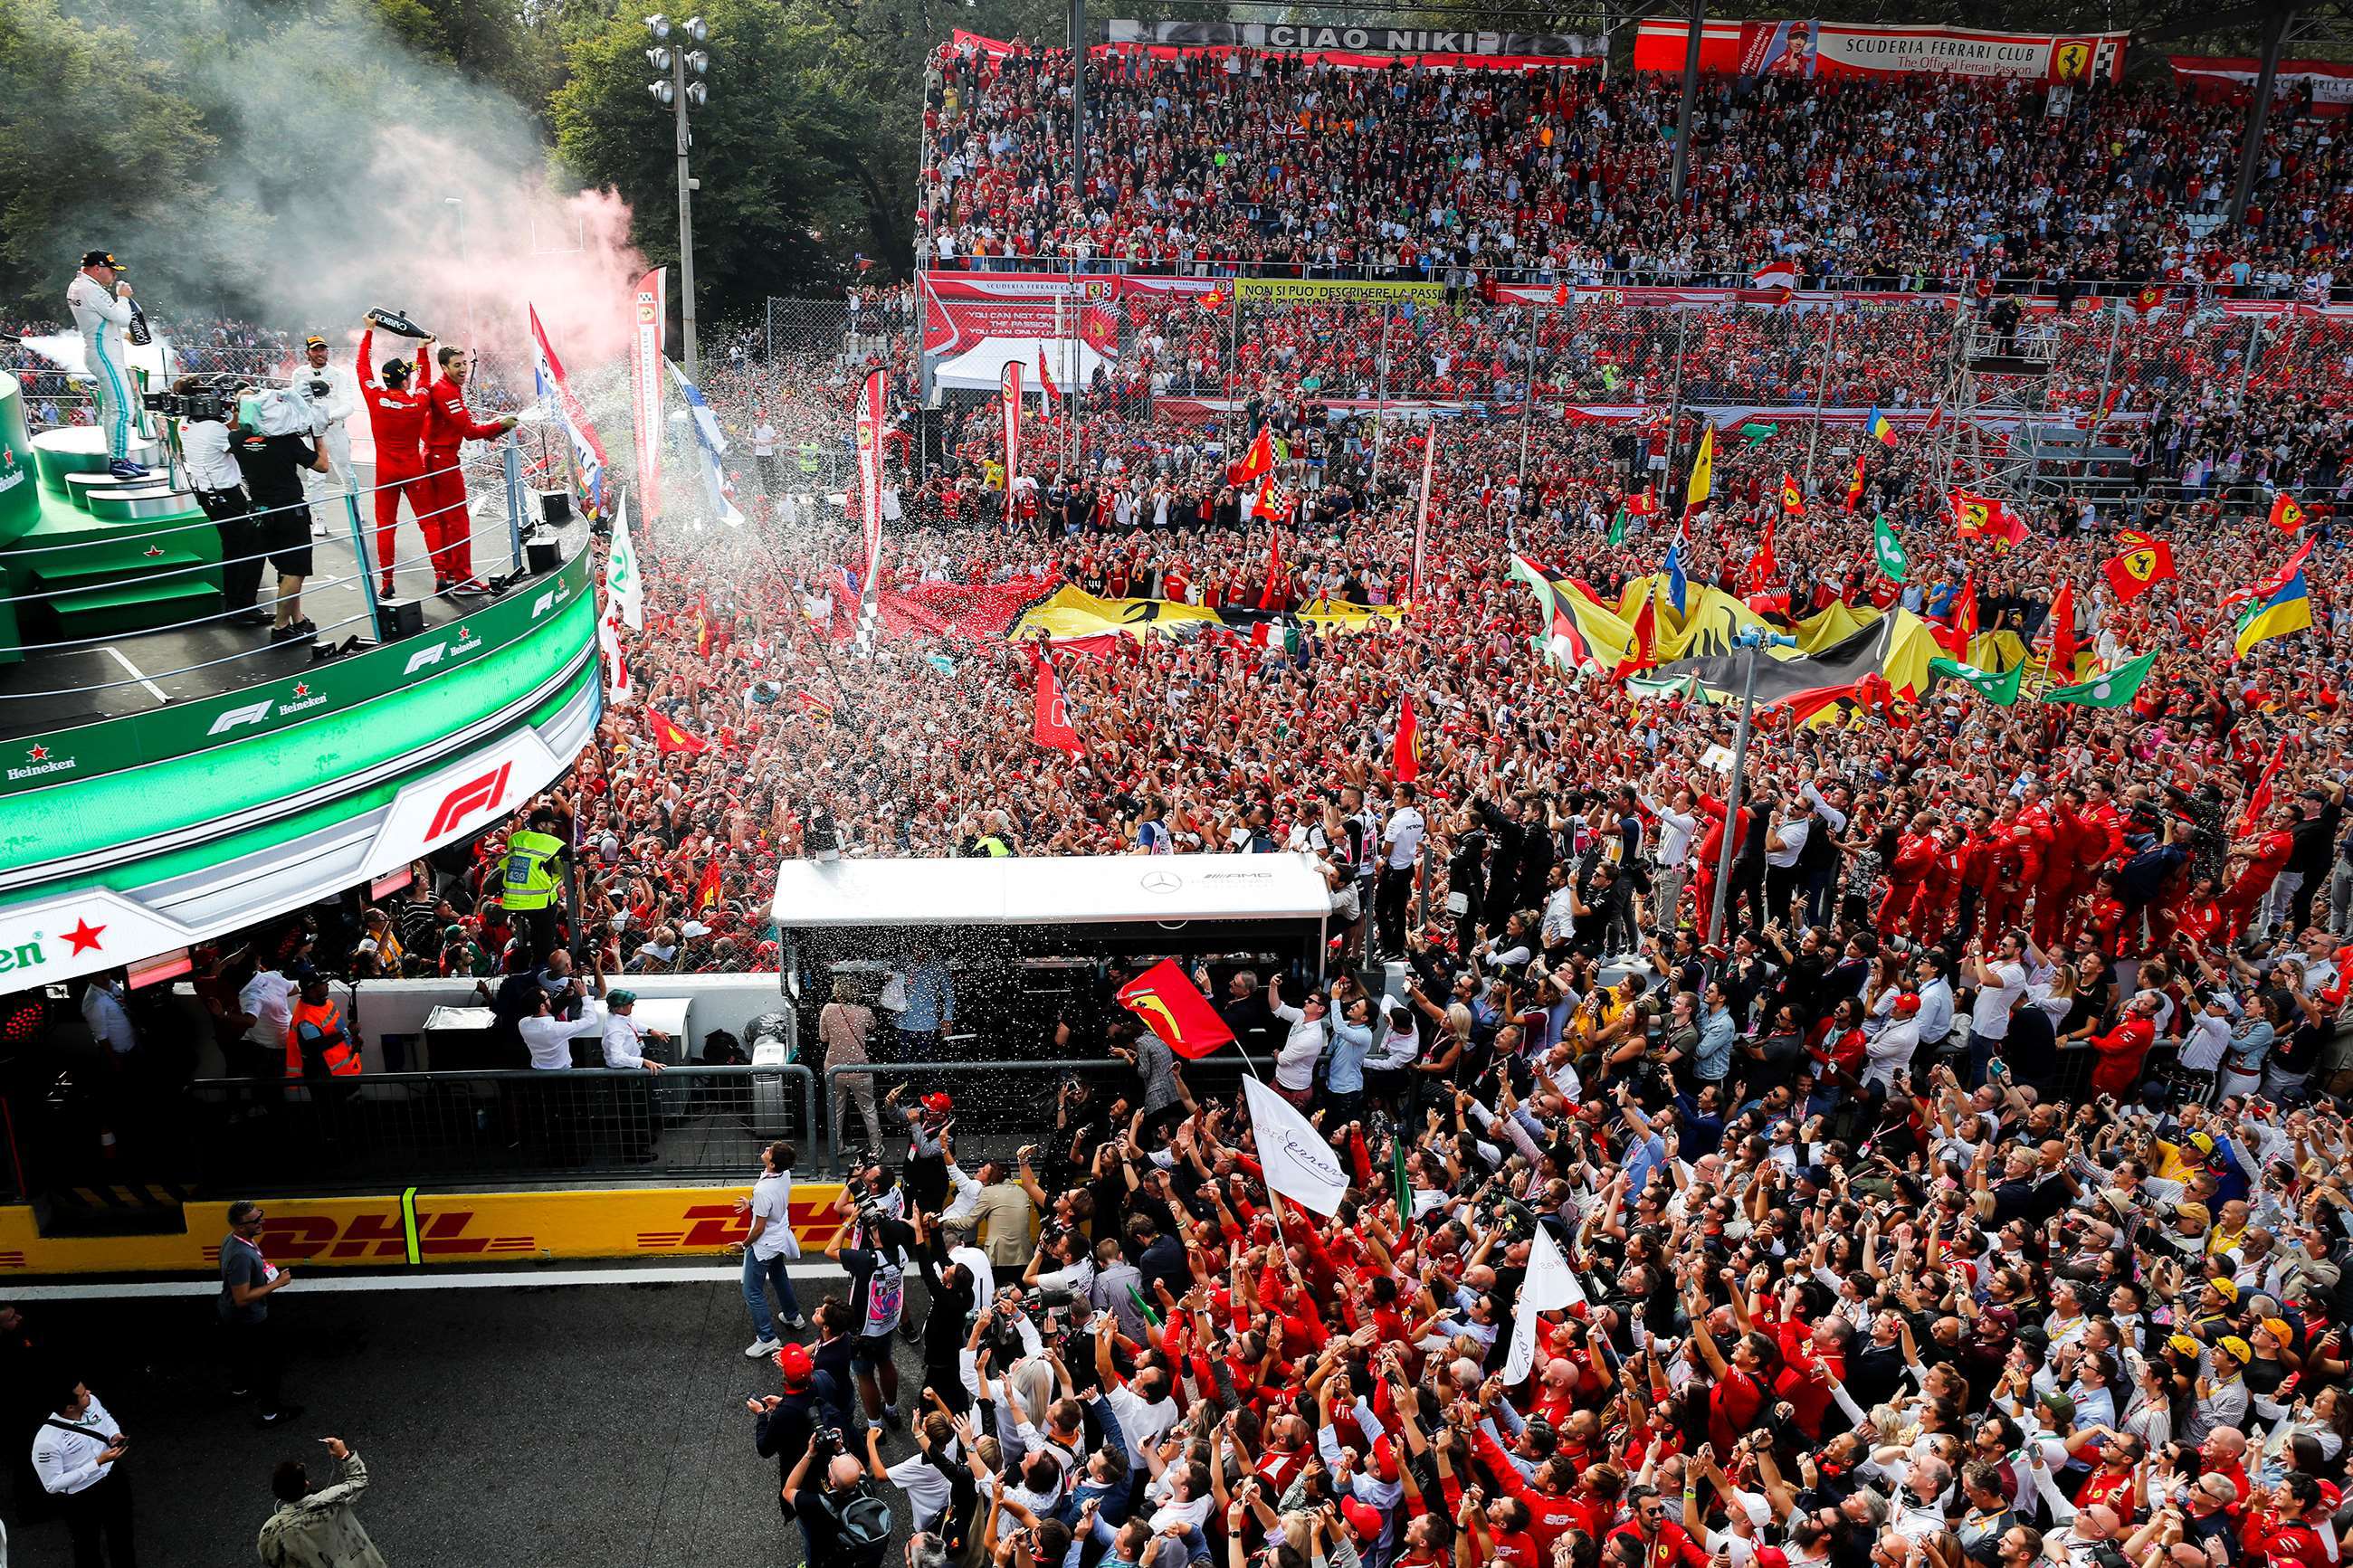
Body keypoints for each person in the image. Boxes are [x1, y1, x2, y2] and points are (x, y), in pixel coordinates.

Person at [226, 386, 330, 647]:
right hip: (289, 512)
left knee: (285, 571)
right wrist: (318, 436)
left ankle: (298, 619)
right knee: (295, 570)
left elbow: (239, 428)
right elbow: (322, 465)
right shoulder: (286, 441)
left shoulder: (237, 440)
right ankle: (281, 627)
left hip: (259, 512)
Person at [415, 345, 519, 594]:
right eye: (457, 365)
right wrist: (499, 425)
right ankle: (463, 579)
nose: (463, 369)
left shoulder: (446, 388)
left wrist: (496, 428)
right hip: (442, 461)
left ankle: (450, 574)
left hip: (436, 458)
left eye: (465, 364)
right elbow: (470, 432)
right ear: (444, 367)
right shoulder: (446, 391)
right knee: (458, 521)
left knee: (447, 521)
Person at [177, 377, 272, 627]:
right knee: (251, 548)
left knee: (232, 548)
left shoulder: (184, 423)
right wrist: (244, 412)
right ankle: (243, 606)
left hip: (208, 494)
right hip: (226, 495)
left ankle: (235, 603)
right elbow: (239, 442)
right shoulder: (213, 429)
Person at [355, 327, 436, 601]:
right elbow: (425, 380)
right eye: (408, 375)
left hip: (386, 473)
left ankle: (386, 583)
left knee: (386, 526)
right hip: (413, 469)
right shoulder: (418, 401)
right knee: (428, 523)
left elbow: (362, 367)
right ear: (404, 381)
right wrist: (423, 349)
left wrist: (368, 331)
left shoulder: (375, 397)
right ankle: (441, 575)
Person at [33, 1377, 134, 1567]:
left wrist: (114, 1434)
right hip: (82, 1498)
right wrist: (96, 1463)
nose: (89, 1393)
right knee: (87, 1546)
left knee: (122, 1535)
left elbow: (105, 1417)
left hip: (113, 1478)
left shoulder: (92, 1402)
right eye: (83, 1394)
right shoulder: (46, 1442)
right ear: (70, 1407)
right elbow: (52, 1484)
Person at [220, 1199, 302, 1427]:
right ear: (240, 1226)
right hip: (249, 1318)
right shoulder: (241, 1256)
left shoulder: (233, 1240)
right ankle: (271, 1413)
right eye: (255, 1220)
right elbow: (242, 1297)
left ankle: (240, 1388)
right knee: (270, 1365)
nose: (261, 1221)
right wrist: (278, 1283)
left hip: (230, 1313)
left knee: (241, 1353)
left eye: (260, 1215)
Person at [65, 250, 143, 478]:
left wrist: (122, 336)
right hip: (105, 355)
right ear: (97, 269)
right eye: (111, 271)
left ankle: (118, 457)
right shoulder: (91, 289)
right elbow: (121, 317)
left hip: (100, 350)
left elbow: (99, 319)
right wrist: (124, 297)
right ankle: (119, 461)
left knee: (112, 409)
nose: (113, 276)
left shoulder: (78, 286)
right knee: (123, 408)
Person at [256, 1437, 384, 1568]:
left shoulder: (271, 1531)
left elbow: (270, 1560)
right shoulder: (331, 1501)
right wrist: (344, 1455)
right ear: (306, 1484)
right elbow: (359, 1480)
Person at [781, 1428, 894, 1568]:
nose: (833, 1457)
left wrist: (810, 1453)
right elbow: (860, 1470)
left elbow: (788, 1491)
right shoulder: (866, 1487)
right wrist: (841, 1449)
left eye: (831, 1464)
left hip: (834, 1558)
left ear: (832, 1482)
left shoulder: (821, 1504)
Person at [738, 1138, 809, 1358]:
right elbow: (774, 1202)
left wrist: (743, 1245)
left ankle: (767, 1338)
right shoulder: (784, 1175)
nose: (766, 1150)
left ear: (772, 1165)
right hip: (780, 1236)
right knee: (778, 1276)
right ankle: (792, 1316)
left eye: (770, 1151)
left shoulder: (761, 1190)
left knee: (751, 1290)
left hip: (764, 1244)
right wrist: (751, 1204)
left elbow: (758, 1228)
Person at [293, 332, 359, 520]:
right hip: (311, 434)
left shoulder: (339, 375)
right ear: (308, 353)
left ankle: (355, 510)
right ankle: (320, 519)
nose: (320, 353)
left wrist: (329, 417)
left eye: (323, 349)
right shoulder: (299, 374)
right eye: (315, 350)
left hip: (335, 429)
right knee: (315, 478)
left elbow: (348, 405)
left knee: (346, 472)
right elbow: (297, 402)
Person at [499, 809, 569, 965]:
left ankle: (522, 966)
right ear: (542, 824)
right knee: (544, 941)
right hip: (540, 903)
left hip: (514, 901)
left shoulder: (515, 839)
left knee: (525, 940)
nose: (553, 827)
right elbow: (570, 856)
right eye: (551, 823)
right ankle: (542, 968)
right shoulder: (554, 843)